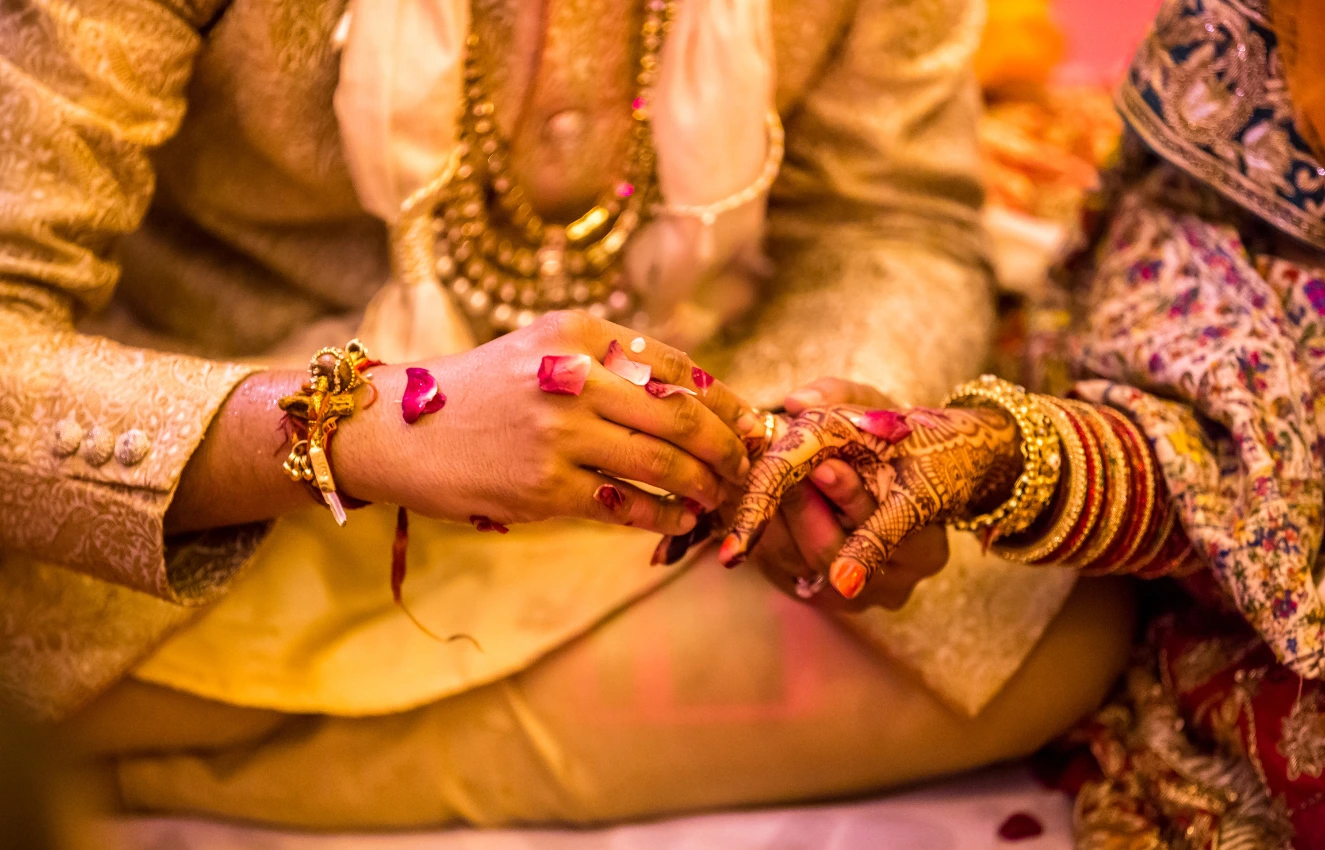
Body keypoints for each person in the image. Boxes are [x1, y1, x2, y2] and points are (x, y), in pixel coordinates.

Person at [0, 0, 1131, 827]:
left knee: (1049, 624)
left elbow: (890, 226)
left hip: (650, 470)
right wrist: (360, 428)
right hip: (229, 465)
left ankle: (209, 760)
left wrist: (818, 441)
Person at [730, 0, 1325, 843]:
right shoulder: (1237, 67)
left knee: (1050, 646)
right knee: (1051, 631)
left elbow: (891, 225)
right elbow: (1224, 410)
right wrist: (932, 443)